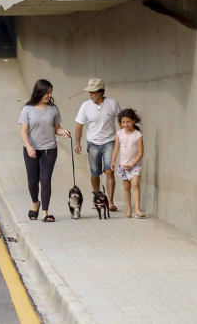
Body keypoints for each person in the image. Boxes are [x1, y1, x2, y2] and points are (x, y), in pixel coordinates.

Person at [19, 79, 72, 223]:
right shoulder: (27, 109)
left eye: (50, 92)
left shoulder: (53, 109)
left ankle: (45, 213)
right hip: (31, 150)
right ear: (39, 92)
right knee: (32, 182)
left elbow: (57, 129)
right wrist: (29, 147)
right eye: (47, 93)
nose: (50, 95)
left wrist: (63, 132)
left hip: (49, 149)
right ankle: (35, 202)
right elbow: (23, 131)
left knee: (45, 179)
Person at [74, 79, 121, 211]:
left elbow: (121, 120)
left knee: (109, 171)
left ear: (101, 92)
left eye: (93, 92)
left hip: (109, 142)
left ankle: (110, 202)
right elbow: (79, 126)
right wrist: (78, 143)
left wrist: (125, 137)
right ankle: (98, 198)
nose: (90, 94)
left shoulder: (112, 103)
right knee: (95, 173)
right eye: (89, 92)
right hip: (93, 143)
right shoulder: (85, 106)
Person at [112, 108, 146, 218]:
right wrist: (113, 161)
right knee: (126, 187)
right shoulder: (119, 134)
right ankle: (129, 210)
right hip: (123, 165)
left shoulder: (138, 135)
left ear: (133, 121)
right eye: (123, 122)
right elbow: (116, 149)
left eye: (128, 122)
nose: (125, 124)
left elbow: (141, 153)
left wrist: (133, 163)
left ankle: (137, 209)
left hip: (135, 165)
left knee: (135, 184)